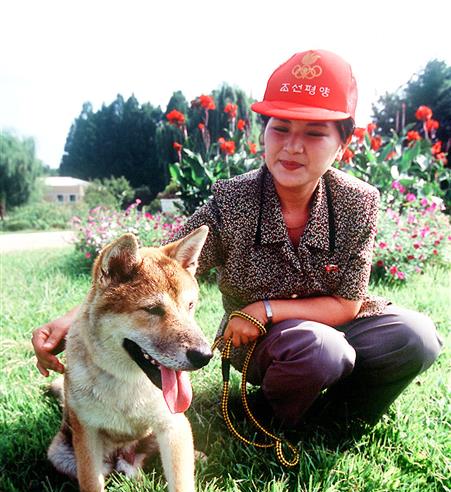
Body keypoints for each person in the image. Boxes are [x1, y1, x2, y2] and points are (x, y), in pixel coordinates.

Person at [32, 49, 442, 431]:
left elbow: (348, 304)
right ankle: (266, 416)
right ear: (264, 131)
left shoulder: (357, 202)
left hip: (332, 323)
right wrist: (70, 322)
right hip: (268, 344)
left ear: (343, 142)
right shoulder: (234, 202)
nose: (292, 146)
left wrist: (264, 307)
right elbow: (154, 268)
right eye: (280, 128)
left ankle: (336, 420)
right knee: (320, 349)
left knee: (416, 336)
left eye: (315, 133)